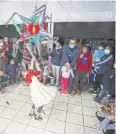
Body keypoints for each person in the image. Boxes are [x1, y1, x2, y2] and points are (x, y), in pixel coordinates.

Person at [22, 57, 56, 121]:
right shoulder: (27, 78)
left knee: (35, 102)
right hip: (36, 92)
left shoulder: (30, 74)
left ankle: (32, 112)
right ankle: (37, 116)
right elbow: (31, 70)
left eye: (24, 70)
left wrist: (37, 65)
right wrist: (32, 61)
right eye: (23, 72)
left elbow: (39, 72)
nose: (25, 71)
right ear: (24, 76)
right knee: (41, 102)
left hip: (39, 89)